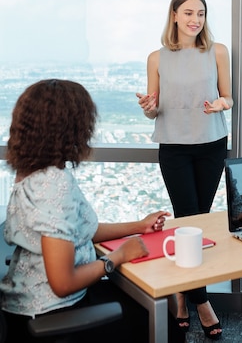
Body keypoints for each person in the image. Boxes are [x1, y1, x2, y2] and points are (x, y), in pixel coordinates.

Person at [0, 78, 185, 343]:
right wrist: (117, 257)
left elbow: (73, 232)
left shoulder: (31, 172)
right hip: (52, 313)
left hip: (26, 306)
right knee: (162, 322)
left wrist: (138, 226)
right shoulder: (54, 184)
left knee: (149, 302)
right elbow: (62, 282)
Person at [136, 0, 233, 340]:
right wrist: (147, 106)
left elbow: (228, 95)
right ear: (174, 15)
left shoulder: (217, 51)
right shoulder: (156, 58)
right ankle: (202, 301)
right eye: (189, 13)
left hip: (211, 145)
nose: (196, 20)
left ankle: (181, 292)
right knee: (188, 218)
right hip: (174, 146)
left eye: (202, 13)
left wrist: (222, 105)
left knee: (197, 218)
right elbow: (153, 109)